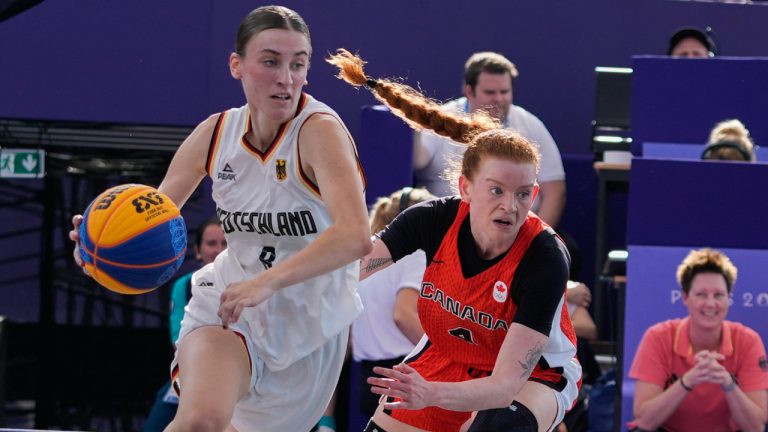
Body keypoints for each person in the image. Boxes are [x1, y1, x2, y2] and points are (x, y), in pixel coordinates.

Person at [70, 6, 372, 431]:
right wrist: (102, 245)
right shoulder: (215, 134)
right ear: (237, 65)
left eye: (298, 64)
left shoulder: (319, 131)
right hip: (229, 300)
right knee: (201, 421)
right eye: (271, 62)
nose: (286, 78)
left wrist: (267, 282)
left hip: (308, 322)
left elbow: (356, 236)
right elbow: (155, 214)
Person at [328, 49, 580, 432]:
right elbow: (349, 269)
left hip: (533, 376)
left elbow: (504, 387)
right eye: (496, 190)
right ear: (465, 188)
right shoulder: (432, 219)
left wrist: (432, 394)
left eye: (523, 194)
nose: (510, 206)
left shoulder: (544, 254)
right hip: (446, 358)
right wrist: (281, 291)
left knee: (496, 426)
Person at [412, 51, 566, 228]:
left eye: (504, 92)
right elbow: (417, 161)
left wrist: (534, 238)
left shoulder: (531, 125)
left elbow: (555, 192)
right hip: (444, 229)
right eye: (490, 92)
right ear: (469, 91)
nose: (499, 99)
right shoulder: (443, 119)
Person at [628, 248, 768, 432]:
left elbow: (756, 427)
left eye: (719, 295)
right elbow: (644, 422)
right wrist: (687, 381)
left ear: (728, 299)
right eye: (701, 294)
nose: (710, 304)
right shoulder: (657, 337)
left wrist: (728, 384)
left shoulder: (749, 341)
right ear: (685, 297)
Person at [352, 186, 433, 418]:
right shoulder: (416, 254)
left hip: (369, 381)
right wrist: (445, 358)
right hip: (403, 375)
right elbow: (403, 315)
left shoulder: (364, 259)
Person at [143, 217, 226, 432]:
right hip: (190, 373)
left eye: (225, 243)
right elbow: (177, 338)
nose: (219, 250)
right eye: (211, 243)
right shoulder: (186, 285)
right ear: (198, 251)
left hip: (238, 378)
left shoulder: (247, 284)